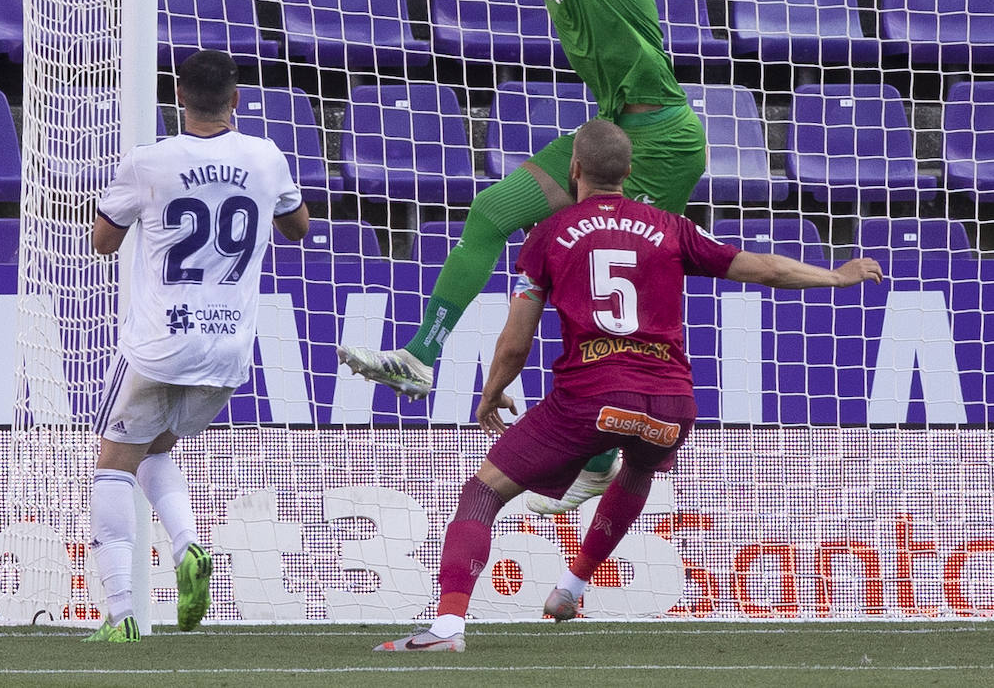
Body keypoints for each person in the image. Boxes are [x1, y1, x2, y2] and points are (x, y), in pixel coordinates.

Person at [316, 0, 707, 514]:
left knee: (590, 273)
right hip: (610, 131)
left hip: (664, 135)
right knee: (494, 211)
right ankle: (421, 357)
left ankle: (601, 449)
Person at [375, 120, 882, 651]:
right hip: (670, 402)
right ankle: (571, 588)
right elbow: (766, 270)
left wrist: (493, 389)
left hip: (590, 396)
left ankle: (448, 627)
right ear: (630, 170)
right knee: (638, 468)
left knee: (482, 493)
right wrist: (836, 276)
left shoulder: (548, 235)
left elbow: (515, 340)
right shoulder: (672, 226)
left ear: (573, 170)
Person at [84, 49, 310, 642]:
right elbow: (299, 227)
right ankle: (188, 546)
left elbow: (103, 242)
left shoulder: (149, 163)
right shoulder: (265, 158)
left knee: (111, 466)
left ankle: (123, 615)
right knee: (156, 450)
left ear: (178, 97)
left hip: (161, 343)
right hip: (228, 350)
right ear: (236, 99)